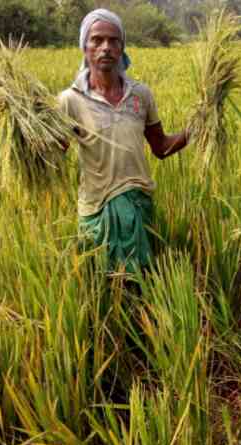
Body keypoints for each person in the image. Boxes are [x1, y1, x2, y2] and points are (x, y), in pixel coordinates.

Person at [57, 8, 190, 275]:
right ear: (85, 47)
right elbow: (56, 152)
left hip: (139, 205)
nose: (105, 47)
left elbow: (161, 147)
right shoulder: (70, 101)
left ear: (122, 48)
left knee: (141, 281)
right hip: (98, 208)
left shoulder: (140, 95)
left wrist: (195, 130)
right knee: (103, 285)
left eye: (113, 40)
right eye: (97, 40)